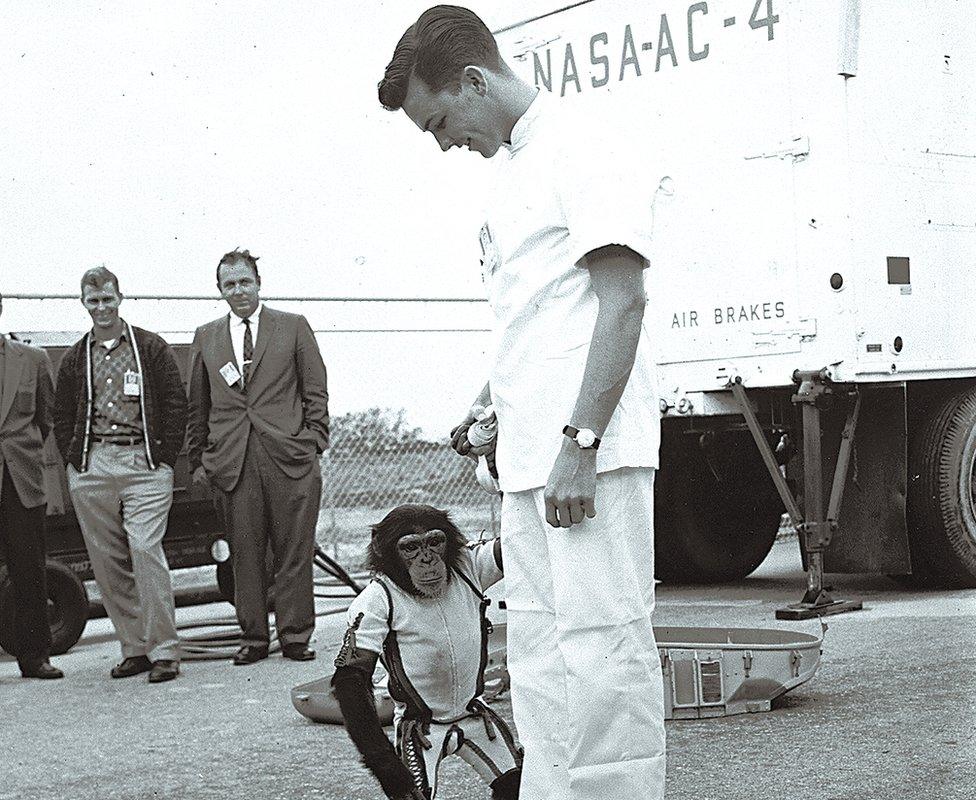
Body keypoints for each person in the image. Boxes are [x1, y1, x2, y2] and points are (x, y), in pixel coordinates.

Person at [377, 7, 665, 799]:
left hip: (588, 458)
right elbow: (540, 317)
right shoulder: (506, 173)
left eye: (440, 122)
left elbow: (622, 301)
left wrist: (581, 440)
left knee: (604, 654)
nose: (442, 144)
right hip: (529, 462)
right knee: (537, 654)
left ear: (473, 80)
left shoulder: (585, 146)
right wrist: (490, 405)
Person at [186, 248, 329, 665]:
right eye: (229, 284)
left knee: (293, 549)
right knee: (244, 551)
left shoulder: (293, 327)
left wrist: (314, 439)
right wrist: (200, 459)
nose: (238, 291)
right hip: (234, 459)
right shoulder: (206, 336)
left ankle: (295, 634)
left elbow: (315, 389)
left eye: (244, 282)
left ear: (258, 284)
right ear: (220, 290)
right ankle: (253, 637)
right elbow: (199, 403)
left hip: (290, 456)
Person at [332, 504, 521, 800]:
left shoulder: (467, 567)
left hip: (473, 712)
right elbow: (349, 684)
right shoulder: (378, 598)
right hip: (420, 727)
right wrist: (384, 764)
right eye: (411, 548)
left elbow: (521, 539)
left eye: (435, 543)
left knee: (525, 787)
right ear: (388, 555)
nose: (428, 560)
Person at [53, 267, 187, 683]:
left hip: (142, 465)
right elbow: (62, 413)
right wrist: (75, 462)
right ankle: (135, 649)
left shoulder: (149, 347)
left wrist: (163, 457)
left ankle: (164, 650)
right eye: (93, 301)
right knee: (108, 563)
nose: (102, 308)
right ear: (83, 304)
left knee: (146, 551)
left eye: (108, 299)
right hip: (94, 466)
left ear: (120, 298)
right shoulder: (78, 356)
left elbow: (174, 402)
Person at [0, 292, 63, 680]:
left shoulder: (33, 359)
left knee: (29, 570)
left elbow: (46, 418)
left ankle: (35, 656)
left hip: (22, 480)